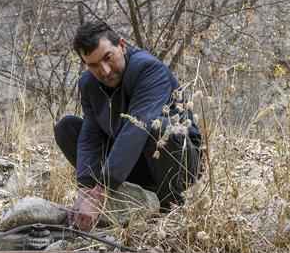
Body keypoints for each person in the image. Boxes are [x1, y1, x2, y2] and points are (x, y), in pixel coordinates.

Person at [54, 21, 202, 231]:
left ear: (122, 46)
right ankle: (118, 197)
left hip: (177, 163)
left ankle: (169, 207)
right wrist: (85, 189)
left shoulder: (149, 69)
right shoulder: (88, 83)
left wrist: (102, 191)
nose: (104, 71)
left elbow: (137, 127)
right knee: (66, 127)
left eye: (108, 58)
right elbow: (90, 134)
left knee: (158, 129)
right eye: (93, 65)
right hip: (130, 164)